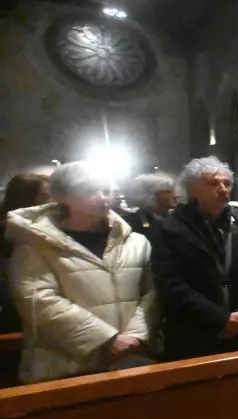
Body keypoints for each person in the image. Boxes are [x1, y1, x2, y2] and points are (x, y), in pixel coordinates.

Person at [7, 162, 157, 383]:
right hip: (64, 367)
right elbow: (38, 301)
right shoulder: (35, 243)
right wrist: (106, 340)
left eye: (106, 190)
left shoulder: (134, 242)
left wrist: (135, 337)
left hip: (128, 360)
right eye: (89, 190)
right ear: (61, 195)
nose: (102, 197)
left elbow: (152, 294)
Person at [152, 157, 238, 360]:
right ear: (192, 188)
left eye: (227, 183)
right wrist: (220, 319)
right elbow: (171, 282)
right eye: (213, 183)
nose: (223, 189)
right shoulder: (171, 229)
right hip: (196, 333)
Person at [1, 172, 50, 333]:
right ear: (28, 200)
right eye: (46, 196)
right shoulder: (8, 232)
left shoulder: (46, 230)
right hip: (15, 318)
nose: (53, 202)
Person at [125, 172, 178, 240]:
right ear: (151, 195)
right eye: (168, 192)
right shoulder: (134, 222)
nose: (175, 195)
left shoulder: (176, 219)